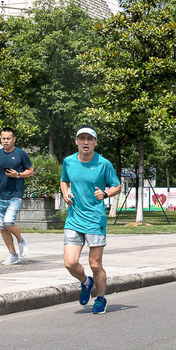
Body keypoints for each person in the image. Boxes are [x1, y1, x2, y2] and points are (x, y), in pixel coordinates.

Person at [60, 127, 122, 315]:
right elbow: (64, 180)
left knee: (95, 265)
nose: (85, 142)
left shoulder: (103, 163)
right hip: (74, 219)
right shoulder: (68, 161)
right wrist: (65, 193)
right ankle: (86, 282)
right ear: (76, 141)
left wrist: (105, 194)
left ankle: (101, 298)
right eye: (82, 138)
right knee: (70, 263)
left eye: (89, 139)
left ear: (95, 142)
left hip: (95, 220)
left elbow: (117, 186)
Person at [0, 127, 34, 265]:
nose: (6, 141)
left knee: (8, 222)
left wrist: (18, 175)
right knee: (2, 227)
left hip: (15, 195)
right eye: (3, 138)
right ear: (0, 139)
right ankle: (13, 255)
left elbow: (30, 171)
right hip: (0, 196)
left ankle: (21, 241)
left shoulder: (21, 154)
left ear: (14, 139)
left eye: (8, 138)